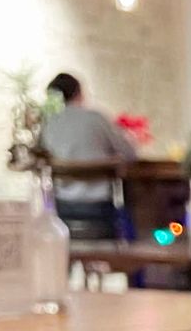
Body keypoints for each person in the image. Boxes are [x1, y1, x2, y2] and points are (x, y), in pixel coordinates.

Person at [38, 72, 138, 238]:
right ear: (79, 93)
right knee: (131, 209)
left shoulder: (49, 124)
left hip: (62, 210)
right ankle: (126, 257)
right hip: (101, 210)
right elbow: (129, 153)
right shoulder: (96, 119)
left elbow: (40, 158)